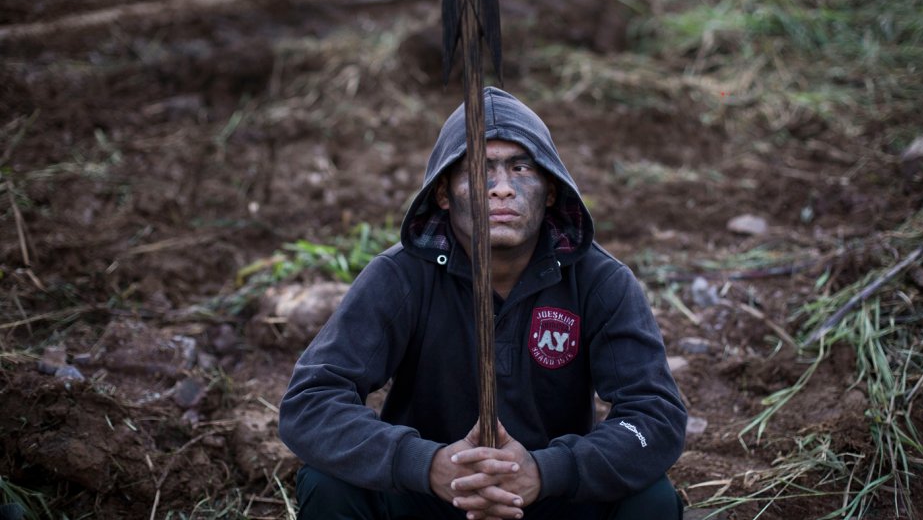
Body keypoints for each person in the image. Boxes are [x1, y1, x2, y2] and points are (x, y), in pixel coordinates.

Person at [279, 87, 688, 520]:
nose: (502, 189)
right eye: (479, 170)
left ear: (550, 190)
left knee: (651, 499)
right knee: (328, 484)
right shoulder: (400, 277)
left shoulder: (599, 281)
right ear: (443, 193)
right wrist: (427, 463)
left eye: (521, 167)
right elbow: (311, 402)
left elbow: (655, 415)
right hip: (429, 498)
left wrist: (547, 470)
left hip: (550, 501)